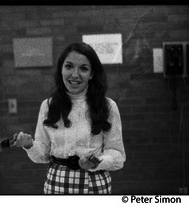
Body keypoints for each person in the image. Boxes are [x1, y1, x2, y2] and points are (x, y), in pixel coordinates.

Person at [14, 42, 126, 194]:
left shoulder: (108, 106)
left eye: (83, 68)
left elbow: (118, 156)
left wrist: (95, 162)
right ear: (61, 69)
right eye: (69, 66)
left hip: (94, 183)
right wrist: (29, 145)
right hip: (56, 182)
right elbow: (43, 156)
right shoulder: (48, 105)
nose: (75, 74)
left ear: (92, 74)